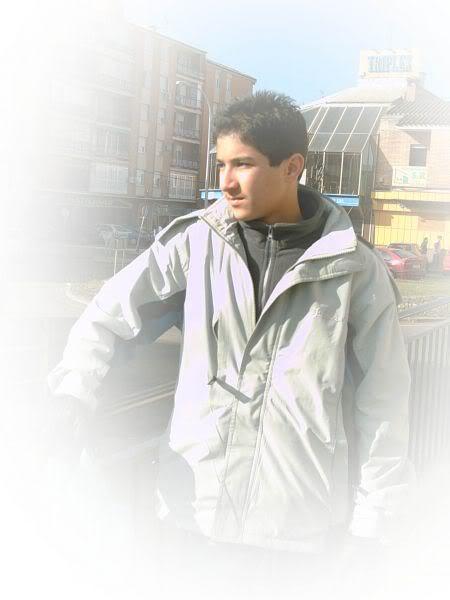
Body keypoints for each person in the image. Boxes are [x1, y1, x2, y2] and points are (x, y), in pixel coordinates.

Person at [48, 91, 413, 594]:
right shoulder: (195, 243)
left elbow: (384, 401)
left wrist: (375, 523)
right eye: (221, 163)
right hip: (192, 521)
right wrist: (72, 394)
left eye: (243, 164)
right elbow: (106, 318)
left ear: (292, 167)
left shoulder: (355, 269)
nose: (225, 181)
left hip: (298, 537)